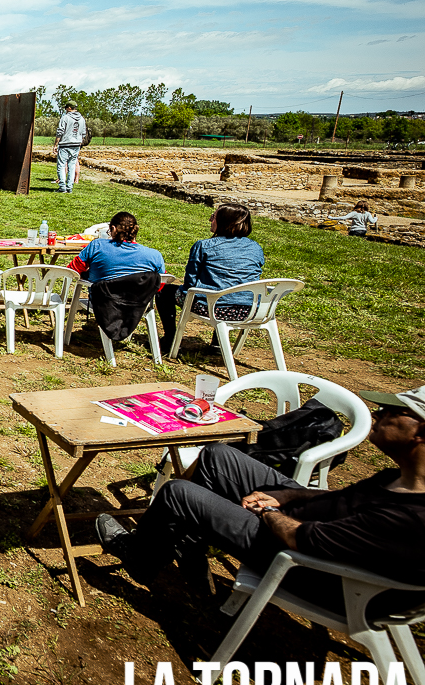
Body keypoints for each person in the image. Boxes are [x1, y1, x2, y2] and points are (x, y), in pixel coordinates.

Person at [95, 386, 425, 609]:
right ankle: (188, 541)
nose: (378, 414)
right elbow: (341, 500)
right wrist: (289, 493)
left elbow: (302, 538)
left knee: (177, 493)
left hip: (309, 567)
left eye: (390, 411)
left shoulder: (411, 517)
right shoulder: (398, 478)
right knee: (217, 456)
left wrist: (267, 512)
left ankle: (140, 556)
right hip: (308, 524)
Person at [155, 202, 265, 351]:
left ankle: (170, 340)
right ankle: (217, 343)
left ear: (224, 222)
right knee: (226, 290)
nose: (210, 220)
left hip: (214, 309)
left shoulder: (203, 246)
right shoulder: (255, 248)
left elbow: (190, 283)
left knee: (164, 291)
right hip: (250, 309)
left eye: (213, 217)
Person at [66, 212, 165, 283]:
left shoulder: (97, 246)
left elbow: (73, 270)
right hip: (137, 307)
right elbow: (162, 282)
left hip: (102, 305)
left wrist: (89, 274)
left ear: (113, 228)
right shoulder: (155, 256)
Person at [55, 101, 86, 194]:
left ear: (69, 108)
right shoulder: (82, 119)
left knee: (61, 165)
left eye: (66, 108)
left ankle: (62, 187)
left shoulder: (65, 118)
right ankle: (70, 187)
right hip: (76, 144)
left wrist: (55, 144)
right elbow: (83, 133)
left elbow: (60, 131)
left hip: (65, 144)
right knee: (72, 165)